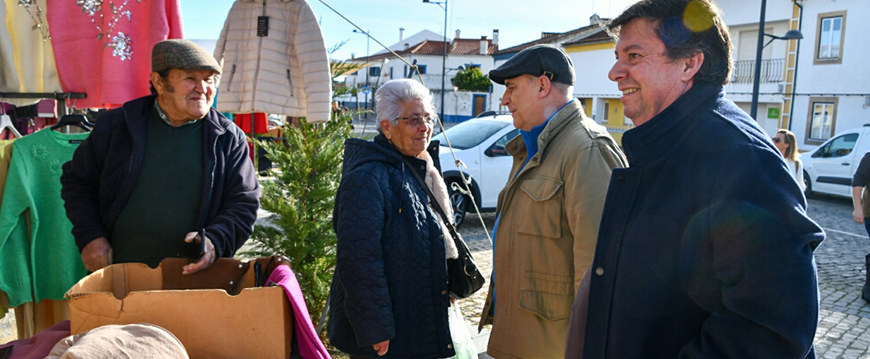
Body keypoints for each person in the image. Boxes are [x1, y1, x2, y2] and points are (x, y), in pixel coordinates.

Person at [568, 1, 825, 358]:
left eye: (634, 55)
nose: (614, 72)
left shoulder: (740, 157)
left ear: (689, 63)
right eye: (617, 56)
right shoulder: (665, 144)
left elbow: (771, 331)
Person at [477, 44, 627, 359]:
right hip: (516, 341)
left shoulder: (586, 150)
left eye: (512, 88)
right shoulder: (531, 145)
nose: (504, 100)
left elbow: (599, 275)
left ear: (543, 85)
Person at [61, 39, 260, 275]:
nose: (203, 88)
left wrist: (215, 241)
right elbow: (78, 183)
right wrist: (90, 236)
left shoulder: (227, 137)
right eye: (190, 79)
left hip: (194, 278)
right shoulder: (117, 126)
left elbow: (243, 203)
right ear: (159, 82)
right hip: (119, 274)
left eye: (208, 80)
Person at [327, 79, 457, 358]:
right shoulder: (366, 178)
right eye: (413, 120)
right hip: (389, 336)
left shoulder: (419, 168)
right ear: (386, 126)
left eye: (427, 118)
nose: (424, 127)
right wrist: (375, 327)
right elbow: (359, 260)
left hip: (418, 320)